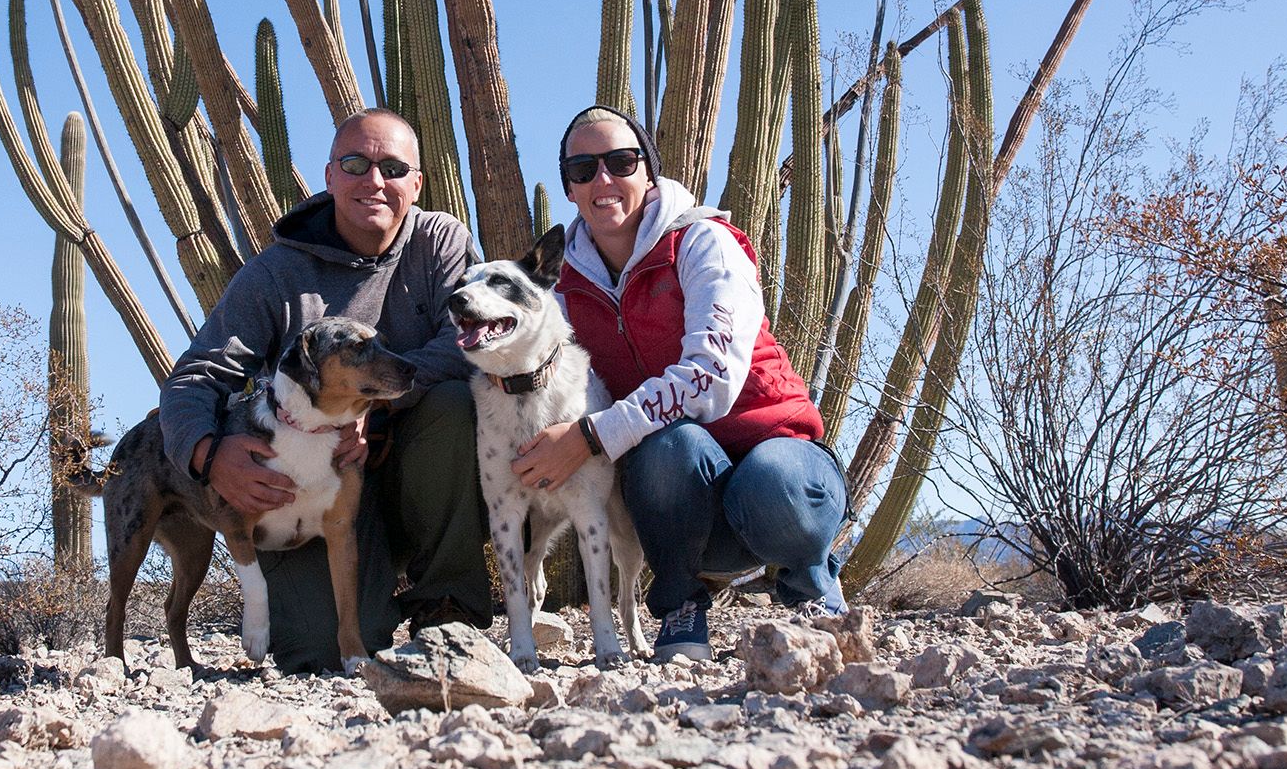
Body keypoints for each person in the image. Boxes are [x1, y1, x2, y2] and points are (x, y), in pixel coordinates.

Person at [509, 105, 849, 663]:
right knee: (667, 449)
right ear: (568, 188)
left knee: (774, 486)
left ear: (649, 170)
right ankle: (681, 603)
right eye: (584, 169)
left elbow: (711, 379)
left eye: (621, 162)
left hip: (775, 456)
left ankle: (809, 578)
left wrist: (591, 437)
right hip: (679, 495)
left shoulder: (702, 244)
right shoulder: (560, 289)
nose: (604, 181)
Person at [158, 108, 492, 672]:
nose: (374, 181)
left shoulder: (440, 244)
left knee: (455, 405)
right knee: (317, 650)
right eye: (356, 164)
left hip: (414, 467)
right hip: (310, 495)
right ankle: (368, 610)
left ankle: (445, 608)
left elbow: (468, 343)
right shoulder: (277, 274)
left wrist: (371, 406)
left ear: (417, 181)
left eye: (392, 166)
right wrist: (208, 455)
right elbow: (195, 376)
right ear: (330, 175)